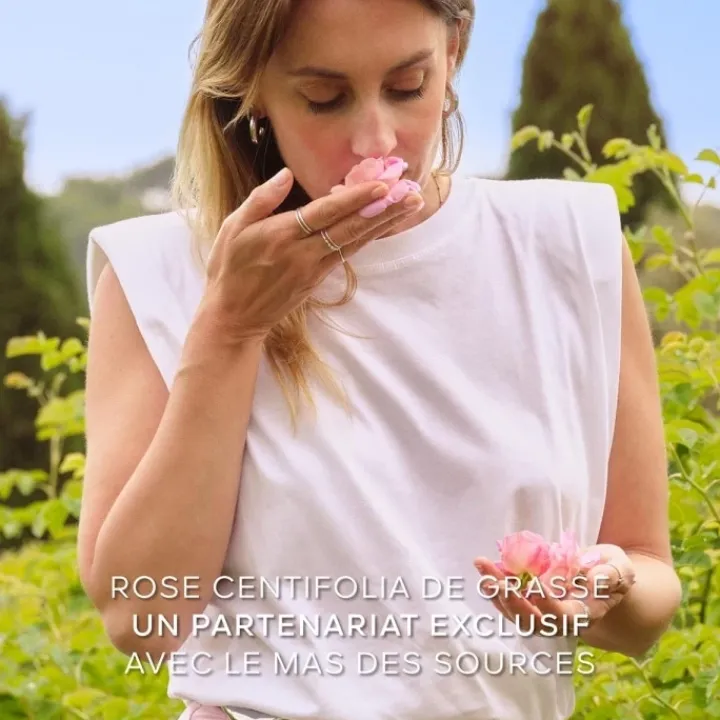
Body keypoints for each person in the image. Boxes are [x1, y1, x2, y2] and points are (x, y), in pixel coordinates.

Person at [77, 0, 683, 718]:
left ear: (453, 52)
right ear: (254, 89)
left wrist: (604, 589)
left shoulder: (570, 245)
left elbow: (647, 585)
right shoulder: (161, 273)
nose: (377, 140)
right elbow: (139, 620)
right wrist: (229, 330)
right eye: (324, 97)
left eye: (408, 86)